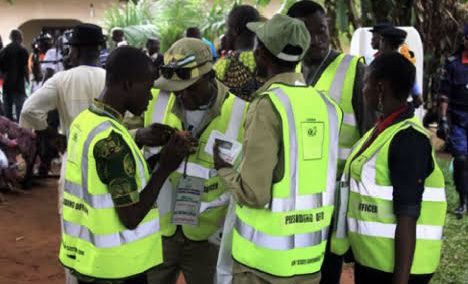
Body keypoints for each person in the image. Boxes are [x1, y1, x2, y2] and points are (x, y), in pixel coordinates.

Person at [214, 14, 342, 284]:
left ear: (261, 53)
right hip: (309, 261)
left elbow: (253, 194)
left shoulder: (268, 105)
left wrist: (224, 169)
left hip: (262, 266)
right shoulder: (327, 105)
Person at [59, 45, 192, 284]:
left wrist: (148, 148)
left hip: (89, 260)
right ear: (128, 84)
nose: (151, 97)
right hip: (116, 269)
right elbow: (131, 216)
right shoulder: (113, 141)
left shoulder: (86, 120)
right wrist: (165, 167)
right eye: (148, 87)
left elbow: (106, 177)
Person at [332, 52, 447, 284]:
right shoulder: (383, 129)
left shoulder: (408, 139)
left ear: (381, 87)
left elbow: (407, 214)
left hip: (396, 269)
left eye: (366, 83)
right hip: (375, 261)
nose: (363, 89)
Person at [143, 37, 248, 284]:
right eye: (177, 89)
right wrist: (141, 136)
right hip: (161, 231)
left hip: (210, 236)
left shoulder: (240, 111)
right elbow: (125, 136)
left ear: (210, 76)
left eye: (191, 87)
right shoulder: (156, 101)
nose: (183, 95)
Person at [287, 2, 373, 283]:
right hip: (294, 195)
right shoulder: (290, 71)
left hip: (334, 197)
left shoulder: (352, 69)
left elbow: (371, 134)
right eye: (308, 33)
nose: (318, 39)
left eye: (322, 30)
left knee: (327, 267)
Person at [20, 23, 107, 284]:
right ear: (99, 49)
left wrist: (51, 134)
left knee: (73, 236)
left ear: (76, 50)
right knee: (105, 232)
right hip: (107, 164)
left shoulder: (62, 79)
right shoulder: (111, 79)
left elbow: (28, 112)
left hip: (74, 164)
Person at [438, 24, 468, 219]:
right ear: (465, 40)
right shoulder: (452, 64)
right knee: (461, 160)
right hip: (458, 120)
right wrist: (442, 120)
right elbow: (444, 96)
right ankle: (463, 200)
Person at [213, 5, 263, 101]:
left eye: (228, 28)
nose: (226, 33)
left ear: (236, 31)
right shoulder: (269, 61)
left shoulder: (223, 66)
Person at [379, 27, 423, 108]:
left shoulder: (378, 66)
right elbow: (419, 100)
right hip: (402, 115)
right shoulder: (410, 67)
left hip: (383, 117)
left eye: (381, 40)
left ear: (385, 43)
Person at [0, 29, 29, 121]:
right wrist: (28, 81)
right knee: (20, 113)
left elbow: (1, 71)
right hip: (19, 86)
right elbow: (25, 69)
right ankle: (20, 132)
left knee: (7, 114)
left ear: (11, 38)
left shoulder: (3, 51)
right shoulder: (23, 50)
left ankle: (8, 134)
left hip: (7, 86)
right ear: (20, 38)